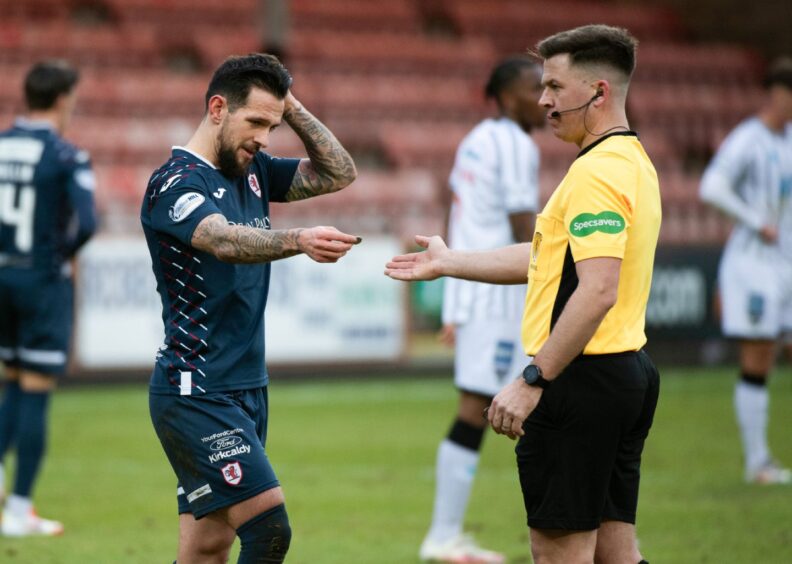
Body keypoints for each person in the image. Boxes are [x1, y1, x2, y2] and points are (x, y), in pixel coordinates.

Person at [387, 25, 661, 564]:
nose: (544, 101)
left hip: (581, 381)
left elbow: (598, 288)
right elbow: (550, 259)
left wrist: (534, 379)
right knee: (616, 553)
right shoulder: (630, 161)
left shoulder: (595, 174)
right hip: (624, 372)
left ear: (599, 92)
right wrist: (450, 262)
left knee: (559, 553)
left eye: (556, 87)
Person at [141, 53, 357, 563]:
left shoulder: (252, 168)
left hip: (247, 386)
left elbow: (339, 173)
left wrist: (292, 107)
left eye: (273, 125)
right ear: (218, 108)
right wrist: (299, 238)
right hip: (195, 389)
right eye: (256, 122)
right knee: (269, 529)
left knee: (207, 548)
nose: (265, 137)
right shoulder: (174, 182)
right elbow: (223, 240)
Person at [419, 56, 545, 564]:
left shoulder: (477, 138)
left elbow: (460, 214)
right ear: (508, 96)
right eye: (536, 87)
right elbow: (522, 226)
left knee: (508, 403)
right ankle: (443, 536)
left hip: (476, 289)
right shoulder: (514, 142)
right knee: (482, 407)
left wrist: (455, 299)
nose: (545, 97)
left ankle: (447, 534)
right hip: (496, 294)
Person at [0, 60, 96, 536]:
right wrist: (59, 258)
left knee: (11, 381)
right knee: (35, 390)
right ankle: (19, 509)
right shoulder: (65, 155)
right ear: (62, 98)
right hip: (40, 283)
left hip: (0, 276)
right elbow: (88, 223)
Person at [699, 57, 792, 485]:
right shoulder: (748, 140)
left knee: (777, 352)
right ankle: (757, 462)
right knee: (757, 356)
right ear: (776, 92)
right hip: (753, 265)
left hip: (785, 264)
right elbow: (711, 187)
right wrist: (756, 220)